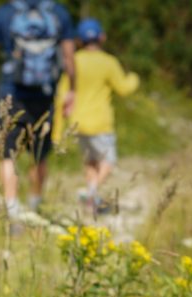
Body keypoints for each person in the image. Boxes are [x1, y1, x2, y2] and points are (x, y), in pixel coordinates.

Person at [0, 0, 76, 221]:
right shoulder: (58, 12)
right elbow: (69, 58)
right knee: (39, 154)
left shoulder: (6, 12)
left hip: (10, 93)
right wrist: (72, 90)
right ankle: (35, 205)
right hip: (45, 95)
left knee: (7, 154)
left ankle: (12, 209)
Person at [53, 18, 140, 215]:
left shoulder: (74, 61)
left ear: (78, 40)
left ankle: (91, 201)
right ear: (102, 37)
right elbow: (124, 88)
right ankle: (91, 194)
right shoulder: (108, 62)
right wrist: (134, 78)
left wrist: (57, 130)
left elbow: (62, 95)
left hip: (78, 123)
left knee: (90, 162)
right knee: (108, 162)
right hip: (101, 123)